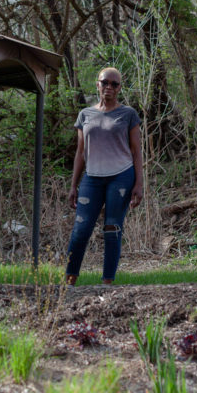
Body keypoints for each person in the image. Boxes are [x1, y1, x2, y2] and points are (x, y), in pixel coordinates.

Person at [65, 67, 143, 286]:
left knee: (112, 228)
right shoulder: (85, 115)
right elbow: (80, 152)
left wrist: (139, 183)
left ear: (119, 88)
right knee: (81, 229)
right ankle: (69, 282)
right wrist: (73, 185)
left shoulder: (128, 115)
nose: (109, 87)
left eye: (114, 84)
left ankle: (107, 283)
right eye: (105, 82)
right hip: (92, 178)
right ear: (97, 84)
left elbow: (137, 151)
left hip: (121, 177)